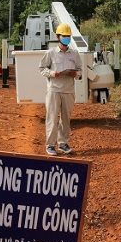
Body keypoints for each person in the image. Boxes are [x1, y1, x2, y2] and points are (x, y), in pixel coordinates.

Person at [39, 23, 82, 156]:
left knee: (66, 118)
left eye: (68, 36)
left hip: (68, 90)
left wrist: (76, 74)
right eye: (64, 36)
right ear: (58, 37)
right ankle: (50, 145)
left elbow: (80, 70)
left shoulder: (74, 54)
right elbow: (41, 69)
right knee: (52, 117)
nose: (67, 38)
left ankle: (63, 143)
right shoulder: (51, 53)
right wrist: (53, 73)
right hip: (54, 90)